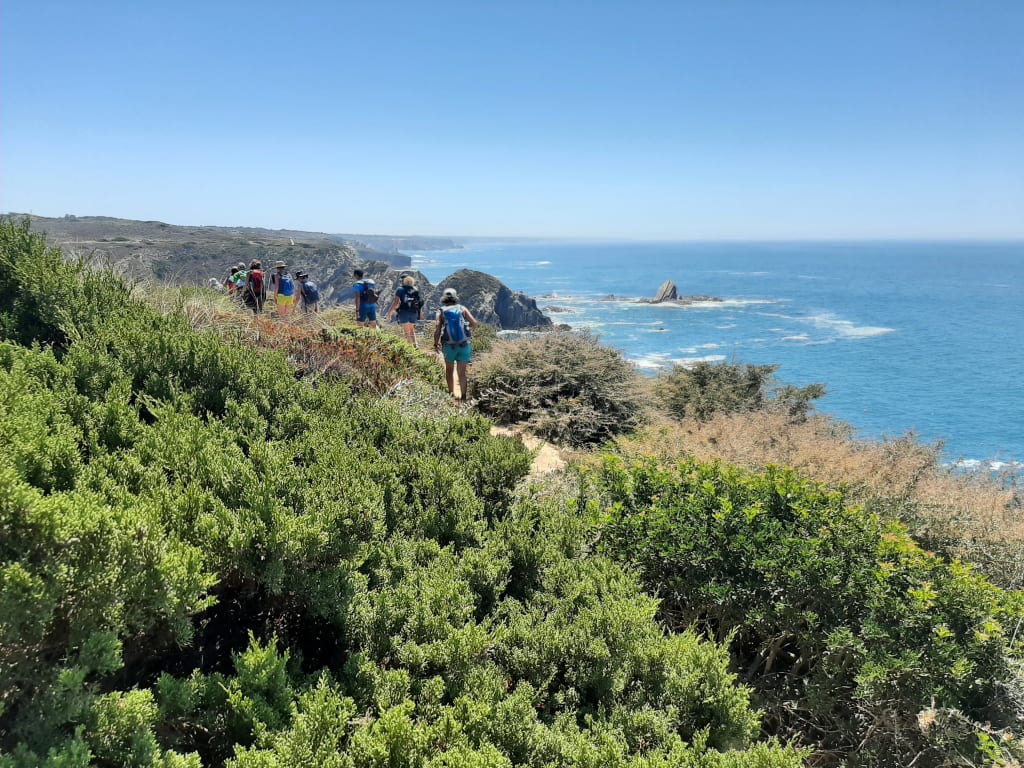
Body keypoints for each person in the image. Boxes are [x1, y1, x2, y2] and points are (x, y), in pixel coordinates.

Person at [433, 287, 478, 400]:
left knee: (449, 371)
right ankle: (463, 397)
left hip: (449, 346)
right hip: (464, 345)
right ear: (455, 297)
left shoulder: (441, 311)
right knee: (462, 373)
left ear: (444, 298)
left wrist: (436, 343)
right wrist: (466, 327)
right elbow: (474, 323)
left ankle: (451, 394)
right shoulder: (462, 308)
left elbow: (437, 330)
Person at [386, 275, 424, 345]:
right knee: (412, 330)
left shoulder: (400, 289)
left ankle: (411, 349)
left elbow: (396, 303)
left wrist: (390, 313)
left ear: (403, 281)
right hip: (414, 312)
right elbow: (419, 303)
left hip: (404, 312)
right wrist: (421, 313)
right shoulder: (415, 289)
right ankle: (416, 346)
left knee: (407, 332)